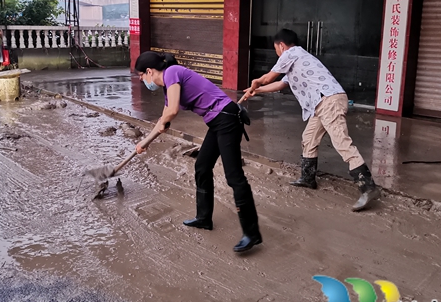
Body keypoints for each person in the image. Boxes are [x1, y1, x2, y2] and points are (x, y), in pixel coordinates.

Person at [134, 51, 262, 253]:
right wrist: (145, 142)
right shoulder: (168, 89)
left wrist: (164, 121)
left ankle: (252, 234)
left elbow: (172, 111)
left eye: (141, 76)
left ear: (149, 71)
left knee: (234, 176)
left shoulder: (172, 72)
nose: (142, 80)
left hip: (227, 118)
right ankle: (204, 218)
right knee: (202, 166)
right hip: (217, 122)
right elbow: (163, 120)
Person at [245, 28, 380, 212]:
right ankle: (308, 178)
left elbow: (269, 78)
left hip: (328, 100)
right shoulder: (297, 60)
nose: (277, 52)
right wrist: (255, 91)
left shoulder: (291, 52)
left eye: (276, 48)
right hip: (320, 103)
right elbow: (280, 84)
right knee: (308, 139)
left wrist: (257, 82)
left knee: (342, 142)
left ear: (281, 46)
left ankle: (368, 186)